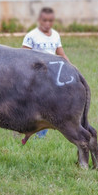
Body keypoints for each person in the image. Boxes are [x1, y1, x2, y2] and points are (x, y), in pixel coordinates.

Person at [22, 7, 70, 138]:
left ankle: (41, 134)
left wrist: (71, 69)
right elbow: (21, 57)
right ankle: (22, 129)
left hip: (52, 77)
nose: (47, 24)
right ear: (39, 20)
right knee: (33, 104)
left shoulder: (55, 35)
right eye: (44, 20)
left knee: (49, 105)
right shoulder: (31, 36)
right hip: (36, 77)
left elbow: (61, 54)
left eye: (50, 21)